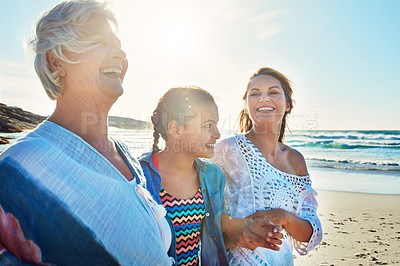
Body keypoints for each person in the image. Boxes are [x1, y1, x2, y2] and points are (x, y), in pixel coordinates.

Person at [0, 1, 173, 265]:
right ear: (55, 60)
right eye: (99, 41)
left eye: (117, 43)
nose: (119, 53)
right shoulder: (15, 171)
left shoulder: (125, 154)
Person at [139, 86, 284, 266]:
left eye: (216, 125)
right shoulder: (140, 177)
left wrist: (247, 234)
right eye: (208, 125)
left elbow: (213, 239)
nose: (217, 134)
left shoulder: (212, 176)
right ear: (175, 129)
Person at [211, 67, 323, 265]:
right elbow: (198, 205)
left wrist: (284, 217)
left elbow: (311, 232)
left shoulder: (295, 159)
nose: (263, 98)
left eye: (273, 92)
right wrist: (236, 226)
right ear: (246, 105)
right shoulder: (226, 150)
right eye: (255, 94)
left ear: (287, 105)